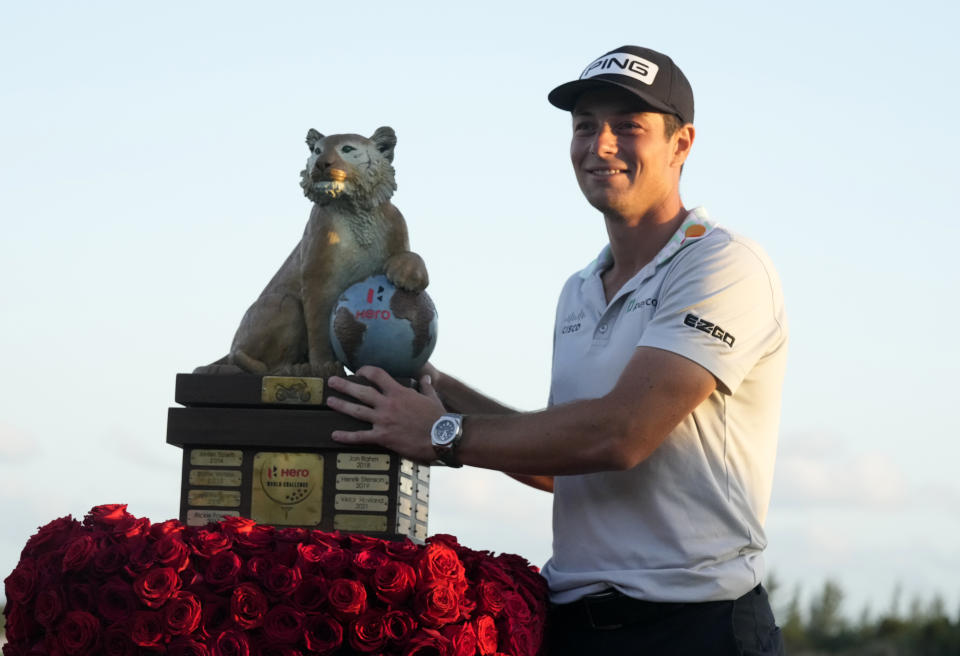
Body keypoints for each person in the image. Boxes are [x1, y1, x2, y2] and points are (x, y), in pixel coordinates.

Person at [326, 45, 788, 655]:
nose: (601, 145)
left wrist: (441, 432)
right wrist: (431, 387)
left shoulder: (723, 263)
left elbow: (619, 435)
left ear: (682, 144)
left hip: (696, 626)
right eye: (584, 125)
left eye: (628, 127)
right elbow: (563, 464)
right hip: (572, 626)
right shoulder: (578, 290)